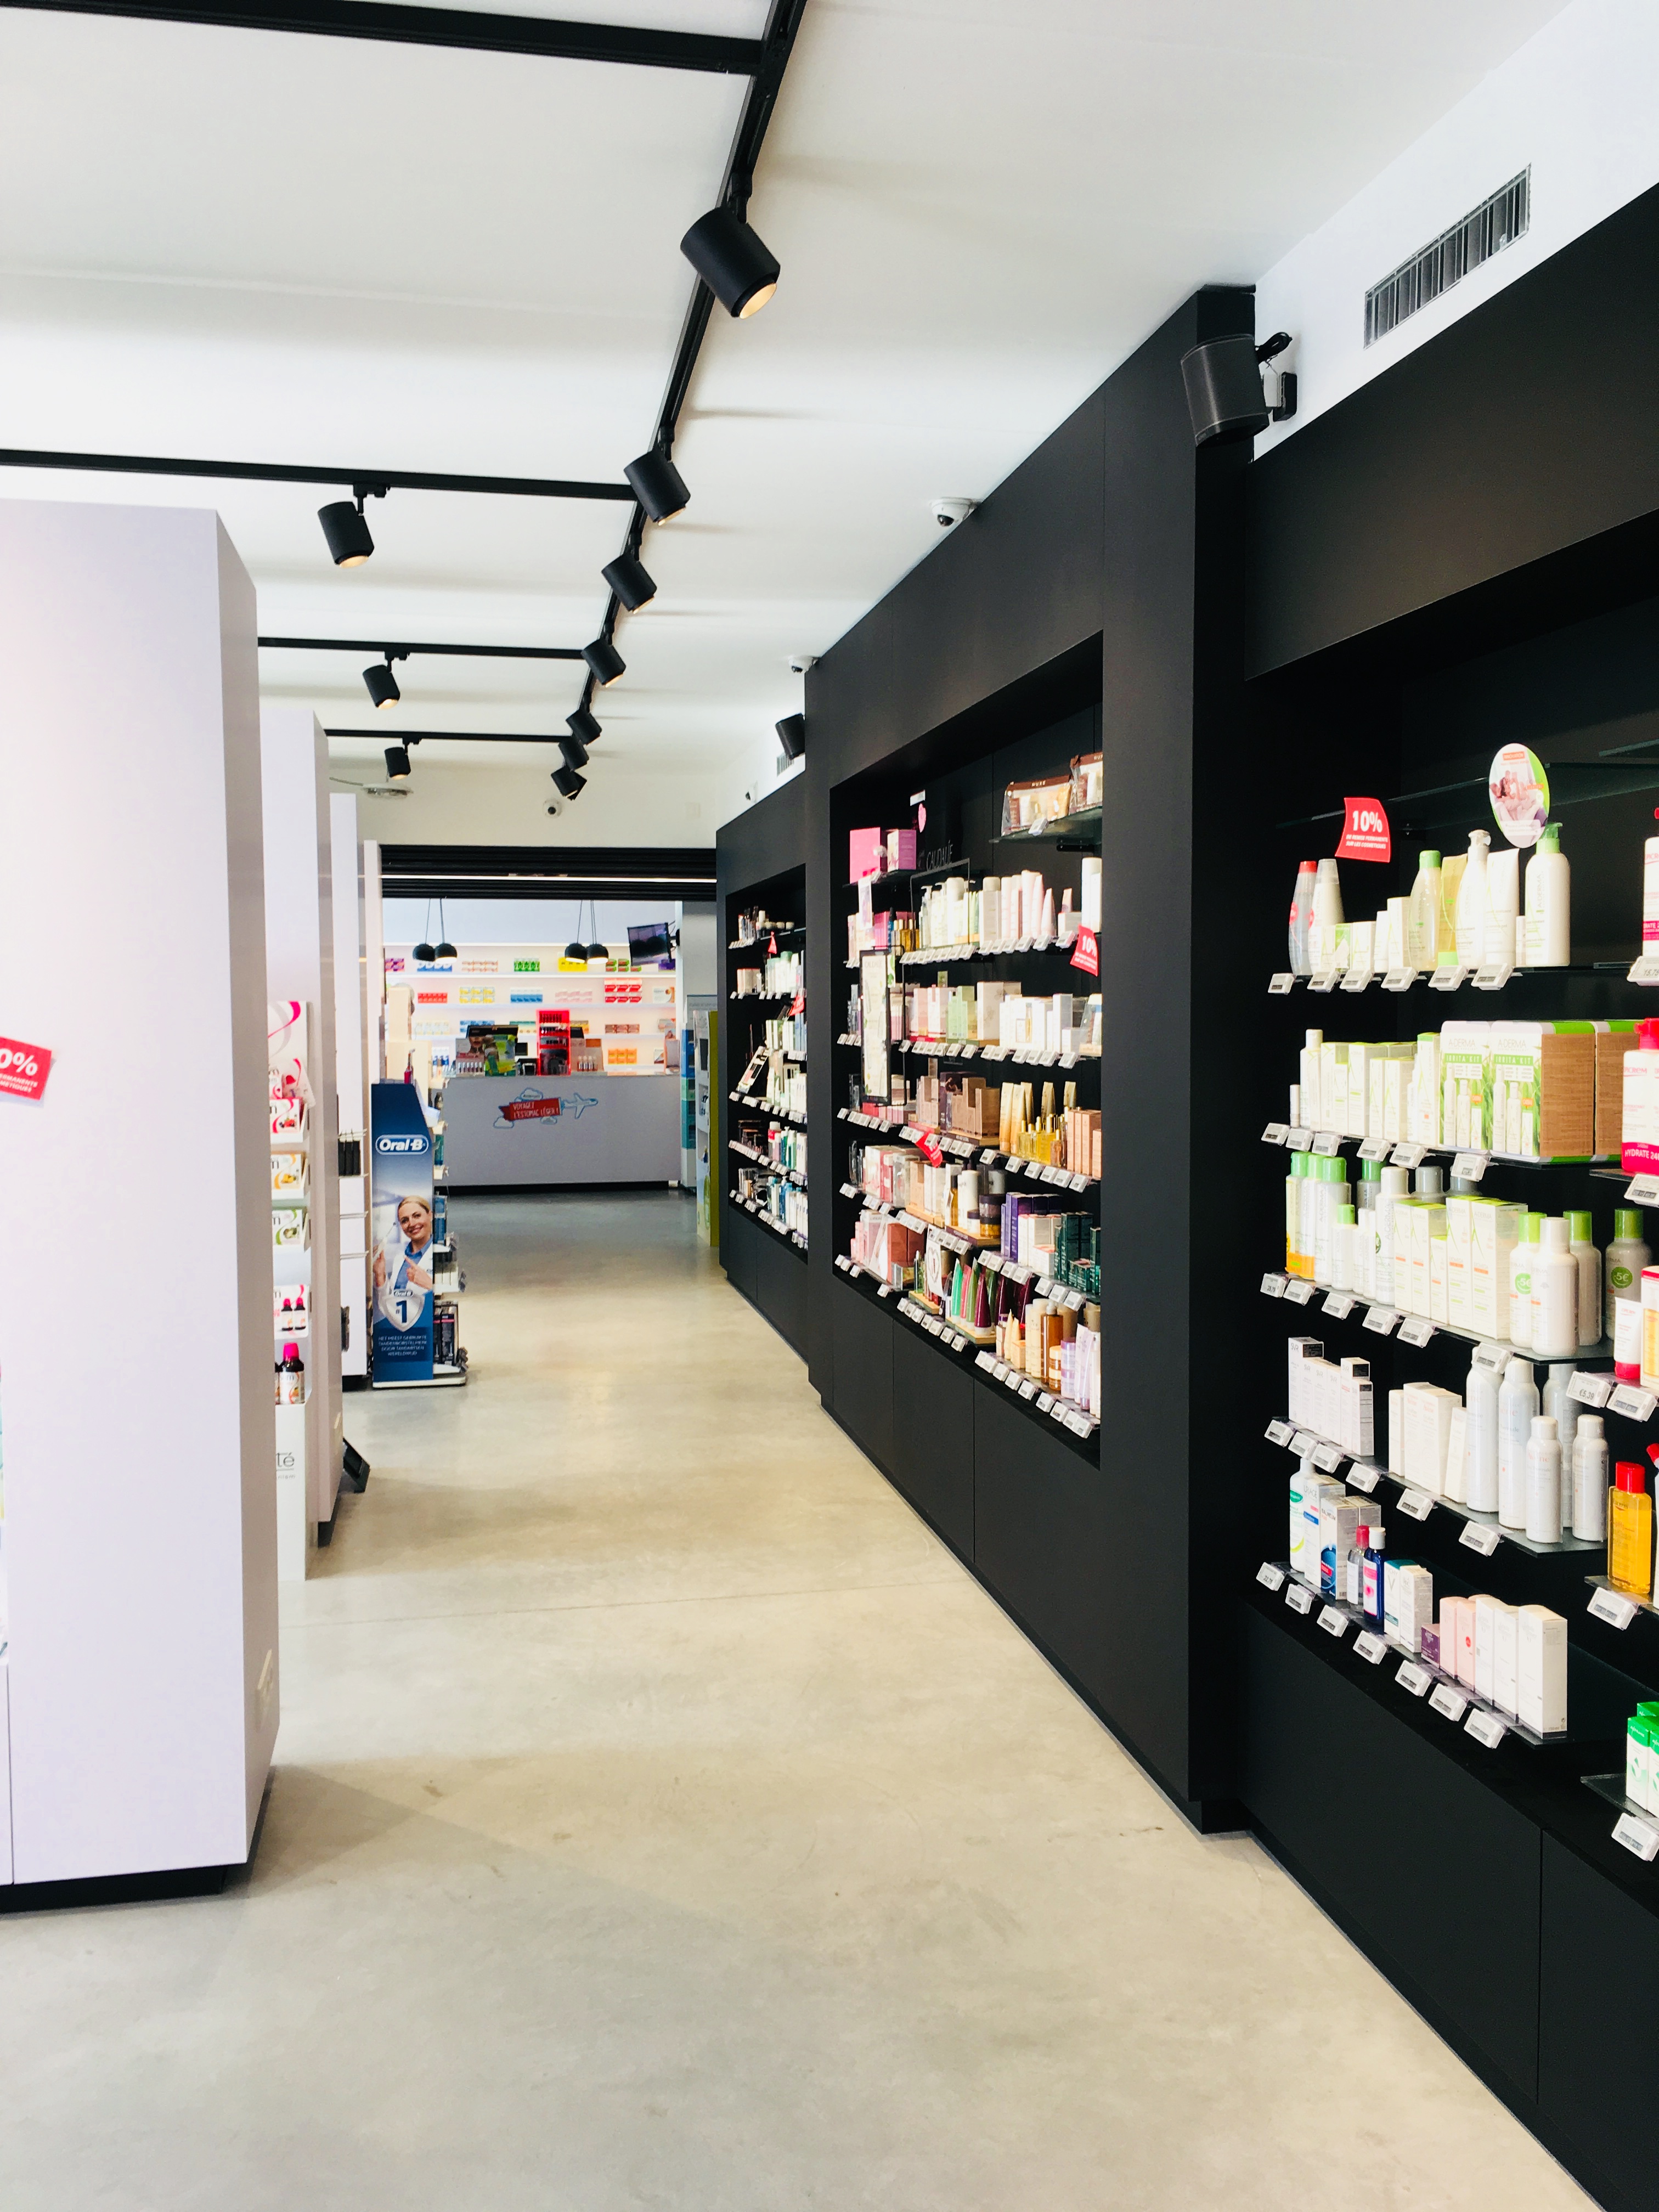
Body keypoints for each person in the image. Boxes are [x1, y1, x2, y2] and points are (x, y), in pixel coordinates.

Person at [375, 1193, 435, 1326]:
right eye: (405, 1220)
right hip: (400, 1331)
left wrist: (429, 1284)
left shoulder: (439, 1252)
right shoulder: (400, 1259)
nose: (412, 1224)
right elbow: (387, 1307)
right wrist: (380, 1276)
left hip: (426, 1328)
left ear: (430, 1216)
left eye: (417, 1216)